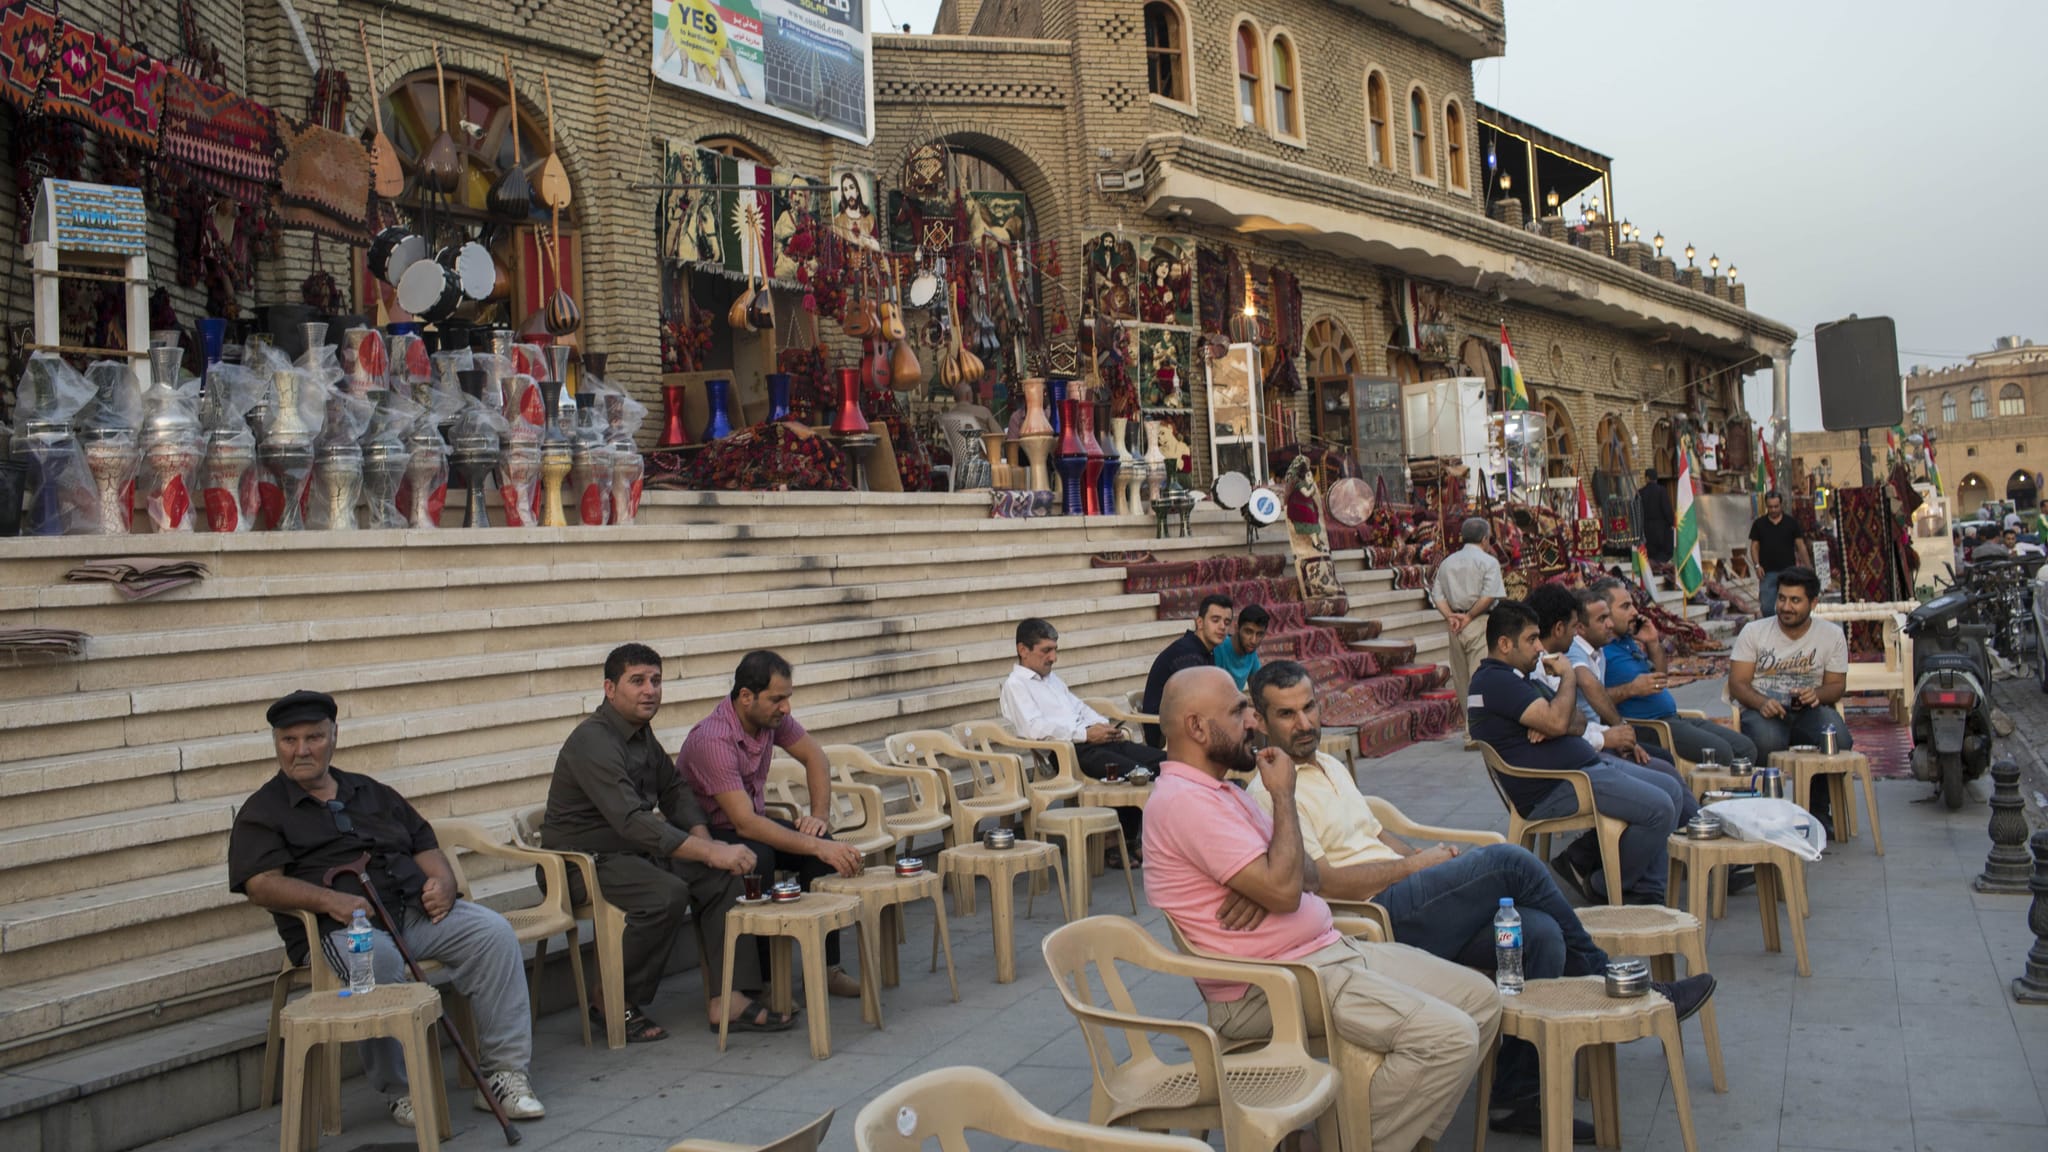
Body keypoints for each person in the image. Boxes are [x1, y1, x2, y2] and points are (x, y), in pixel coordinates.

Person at [1244, 660, 1714, 1140]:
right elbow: (1322, 882)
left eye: (1309, 708)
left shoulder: (1327, 765)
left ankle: (1515, 1096)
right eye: (1287, 714)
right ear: (1260, 720)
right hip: (1374, 918)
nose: (1304, 723)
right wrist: (1415, 869)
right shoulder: (1271, 791)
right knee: (1509, 861)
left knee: (1539, 936)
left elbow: (1375, 833)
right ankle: (1610, 976)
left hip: (1412, 894)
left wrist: (1426, 861)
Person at [1143, 665, 1502, 1152]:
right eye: (1238, 711)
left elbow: (1304, 873)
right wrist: (1283, 800)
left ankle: (1379, 1140)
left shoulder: (1222, 791)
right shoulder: (1185, 802)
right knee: (1448, 1038)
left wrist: (1276, 878)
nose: (1251, 721)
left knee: (1481, 1000)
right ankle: (1332, 1145)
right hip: (1272, 984)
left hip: (1327, 952)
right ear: (1197, 728)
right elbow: (1287, 888)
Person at [228, 690, 545, 1127]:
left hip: (412, 911)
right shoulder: (263, 811)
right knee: (377, 960)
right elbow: (260, 884)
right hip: (337, 930)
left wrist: (444, 882)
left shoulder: (369, 791)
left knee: (492, 933)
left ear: (334, 737)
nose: (301, 750)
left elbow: (423, 842)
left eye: (313, 737)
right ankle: (401, 1091)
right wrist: (330, 900)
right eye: (289, 740)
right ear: (276, 744)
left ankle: (504, 1074)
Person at [541, 644, 793, 1041]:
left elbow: (674, 789)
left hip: (631, 853)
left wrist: (702, 837)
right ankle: (611, 997)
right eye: (637, 681)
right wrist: (710, 850)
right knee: (666, 894)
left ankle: (729, 997)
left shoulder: (640, 734)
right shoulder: (594, 740)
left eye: (656, 680)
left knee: (721, 877)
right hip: (581, 863)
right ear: (610, 689)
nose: (650, 690)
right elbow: (631, 821)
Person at [1469, 602, 1696, 904]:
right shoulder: (1496, 681)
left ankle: (1630, 882)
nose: (1540, 647)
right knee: (1660, 808)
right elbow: (1559, 721)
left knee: (1670, 787)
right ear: (1504, 644)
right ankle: (1612, 886)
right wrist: (1568, 679)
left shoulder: (1520, 678)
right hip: (1558, 785)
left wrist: (1558, 722)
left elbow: (1575, 721)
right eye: (1531, 639)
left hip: (1583, 768)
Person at [679, 651, 866, 998]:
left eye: (788, 698)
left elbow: (815, 756)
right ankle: (763, 983)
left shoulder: (770, 720)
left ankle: (827, 969)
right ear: (746, 697)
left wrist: (818, 819)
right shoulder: (713, 739)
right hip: (706, 835)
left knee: (820, 849)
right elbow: (745, 824)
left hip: (749, 824)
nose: (786, 708)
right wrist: (819, 845)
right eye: (777, 699)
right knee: (759, 858)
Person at [1000, 618, 1162, 856]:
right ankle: (1119, 842)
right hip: (1066, 753)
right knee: (1135, 772)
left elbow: (1079, 707)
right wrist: (1085, 734)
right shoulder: (1016, 685)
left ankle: (1133, 836)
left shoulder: (1051, 679)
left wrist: (1103, 726)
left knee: (1163, 762)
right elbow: (1034, 729)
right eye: (1046, 650)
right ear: (1023, 650)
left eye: (1055, 650)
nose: (1053, 657)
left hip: (1091, 741)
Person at [1728, 567, 1852, 826]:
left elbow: (1837, 686)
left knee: (1837, 739)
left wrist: (1816, 694)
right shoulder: (1754, 632)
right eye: (1782, 598)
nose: (1786, 607)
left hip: (1810, 711)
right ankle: (1768, 813)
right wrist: (1761, 702)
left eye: (1795, 600)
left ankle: (1818, 811)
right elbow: (1737, 683)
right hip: (1764, 710)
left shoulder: (1831, 635)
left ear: (1813, 603)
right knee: (1767, 739)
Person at [1595, 578, 1758, 767]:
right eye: (1625, 606)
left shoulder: (1627, 640)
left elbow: (1661, 680)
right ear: (1604, 613)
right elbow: (1592, 701)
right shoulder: (1600, 650)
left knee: (1745, 748)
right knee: (1721, 753)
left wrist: (1653, 643)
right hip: (1649, 727)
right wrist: (1631, 689)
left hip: (1673, 719)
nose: (1634, 612)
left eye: (1632, 604)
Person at [1526, 583, 1672, 771]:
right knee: (1665, 779)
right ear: (1562, 629)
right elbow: (1568, 716)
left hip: (1594, 739)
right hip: (1580, 756)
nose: (1609, 624)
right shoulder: (1559, 658)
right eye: (1602, 619)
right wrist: (1609, 734)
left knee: (1665, 768)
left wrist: (1652, 642)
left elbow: (1577, 720)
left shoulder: (1592, 651)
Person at [1433, 516, 1507, 715]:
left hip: (1455, 625)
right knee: (1479, 677)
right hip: (1478, 621)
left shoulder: (1447, 562)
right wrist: (1470, 616)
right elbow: (1489, 596)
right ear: (1484, 539)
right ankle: (1477, 726)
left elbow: (1437, 596)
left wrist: (1450, 616)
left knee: (1461, 679)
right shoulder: (1489, 562)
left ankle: (1470, 726)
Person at [1139, 593, 1233, 746]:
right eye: (1215, 620)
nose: (1222, 627)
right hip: (1164, 734)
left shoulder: (1203, 651)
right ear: (1200, 622)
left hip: (1184, 724)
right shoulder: (1187, 654)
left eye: (1227, 622)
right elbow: (1197, 704)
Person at [1748, 490, 1810, 614]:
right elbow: (1754, 547)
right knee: (1767, 607)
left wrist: (1808, 567)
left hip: (1789, 572)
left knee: (1790, 605)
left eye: (1776, 506)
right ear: (1766, 506)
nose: (1773, 510)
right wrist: (1757, 565)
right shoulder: (1759, 524)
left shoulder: (1791, 523)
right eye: (1770, 507)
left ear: (1781, 505)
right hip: (1767, 573)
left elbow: (1801, 546)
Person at [1213, 602, 1268, 689]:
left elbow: (1257, 688)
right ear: (1237, 628)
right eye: (1248, 632)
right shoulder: (1218, 649)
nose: (1253, 640)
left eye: (1259, 634)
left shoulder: (1251, 653)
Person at [1637, 468, 1674, 564]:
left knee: (1650, 556)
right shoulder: (1662, 491)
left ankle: (1652, 569)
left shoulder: (1640, 493)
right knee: (1661, 555)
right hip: (1661, 529)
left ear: (1647, 478)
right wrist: (1671, 522)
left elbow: (1637, 513)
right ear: (1656, 478)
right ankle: (1659, 567)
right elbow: (1667, 509)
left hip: (1646, 529)